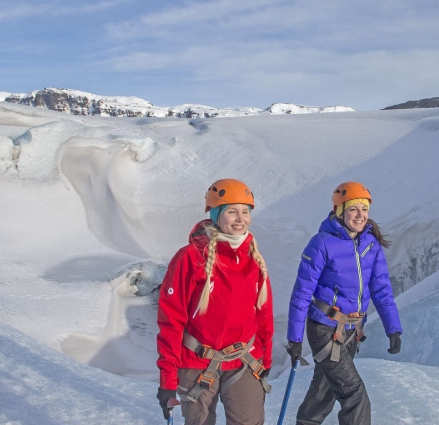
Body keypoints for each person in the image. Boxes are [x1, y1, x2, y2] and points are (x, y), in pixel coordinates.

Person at [156, 178, 274, 425]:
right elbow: (171, 320)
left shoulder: (254, 258)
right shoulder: (190, 257)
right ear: (217, 214)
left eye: (245, 212)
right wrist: (168, 379)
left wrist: (265, 359)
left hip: (244, 361)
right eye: (232, 212)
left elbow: (264, 315)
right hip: (197, 361)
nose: (240, 218)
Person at [287, 181, 402, 425]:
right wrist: (295, 339)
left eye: (364, 209)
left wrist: (393, 328)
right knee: (355, 396)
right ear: (340, 211)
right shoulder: (322, 243)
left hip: (351, 331)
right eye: (353, 209)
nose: (360, 216)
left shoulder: (371, 245)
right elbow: (302, 292)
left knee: (323, 392)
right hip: (324, 329)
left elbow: (381, 288)